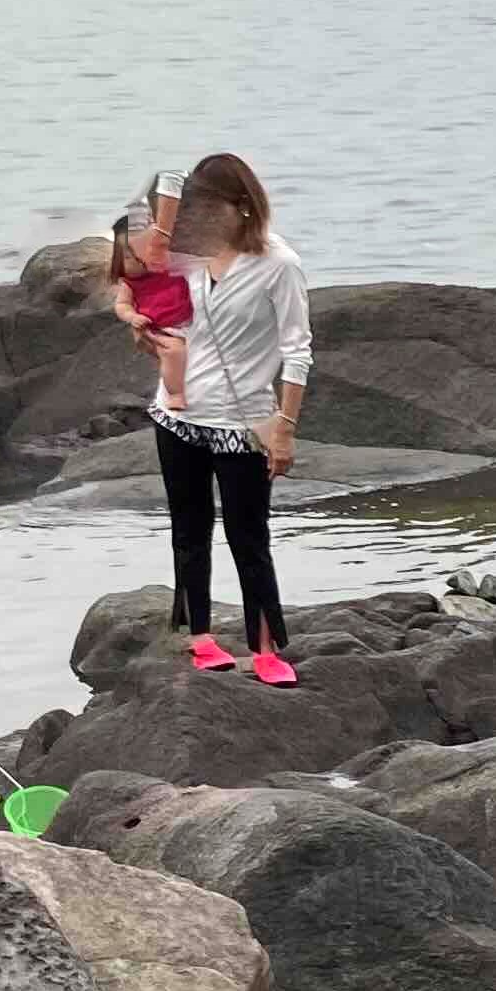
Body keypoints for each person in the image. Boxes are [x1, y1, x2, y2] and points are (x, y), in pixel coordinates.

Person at [151, 151, 312, 683]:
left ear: (241, 205)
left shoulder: (279, 265)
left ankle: (265, 648)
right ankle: (199, 637)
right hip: (177, 416)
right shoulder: (186, 257)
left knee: (249, 537)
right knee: (189, 530)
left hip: (243, 423)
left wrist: (285, 430)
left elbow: (297, 351)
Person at [107, 191, 194, 417]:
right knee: (173, 353)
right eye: (129, 257)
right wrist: (133, 317)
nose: (139, 261)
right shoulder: (131, 284)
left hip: (189, 321)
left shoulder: (168, 266)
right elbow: (122, 305)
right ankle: (175, 394)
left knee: (181, 360)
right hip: (160, 328)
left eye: (142, 253)